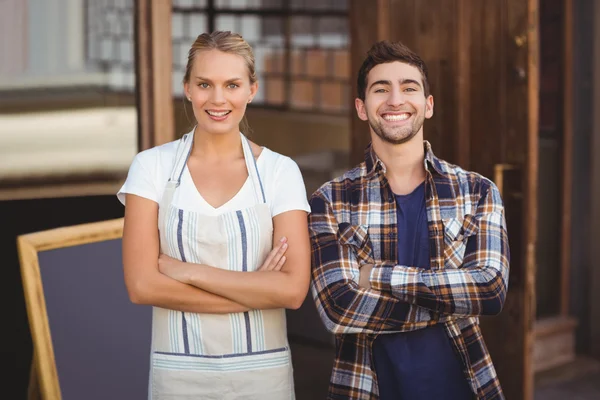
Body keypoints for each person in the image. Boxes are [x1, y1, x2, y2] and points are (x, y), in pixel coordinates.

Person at [308, 40, 510, 400]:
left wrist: (376, 276)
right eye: (380, 89)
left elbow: (491, 290)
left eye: (409, 88)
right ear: (361, 107)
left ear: (428, 105)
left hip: (462, 387)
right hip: (365, 388)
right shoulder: (331, 200)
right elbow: (338, 307)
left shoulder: (477, 191)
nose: (395, 100)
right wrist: (450, 301)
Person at [117, 31, 311, 400]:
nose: (218, 99)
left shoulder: (279, 172)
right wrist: (256, 289)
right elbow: (142, 286)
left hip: (262, 378)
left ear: (251, 90)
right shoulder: (151, 168)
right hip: (179, 377)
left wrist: (189, 272)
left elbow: (292, 289)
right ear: (187, 87)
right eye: (205, 84)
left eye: (232, 85)